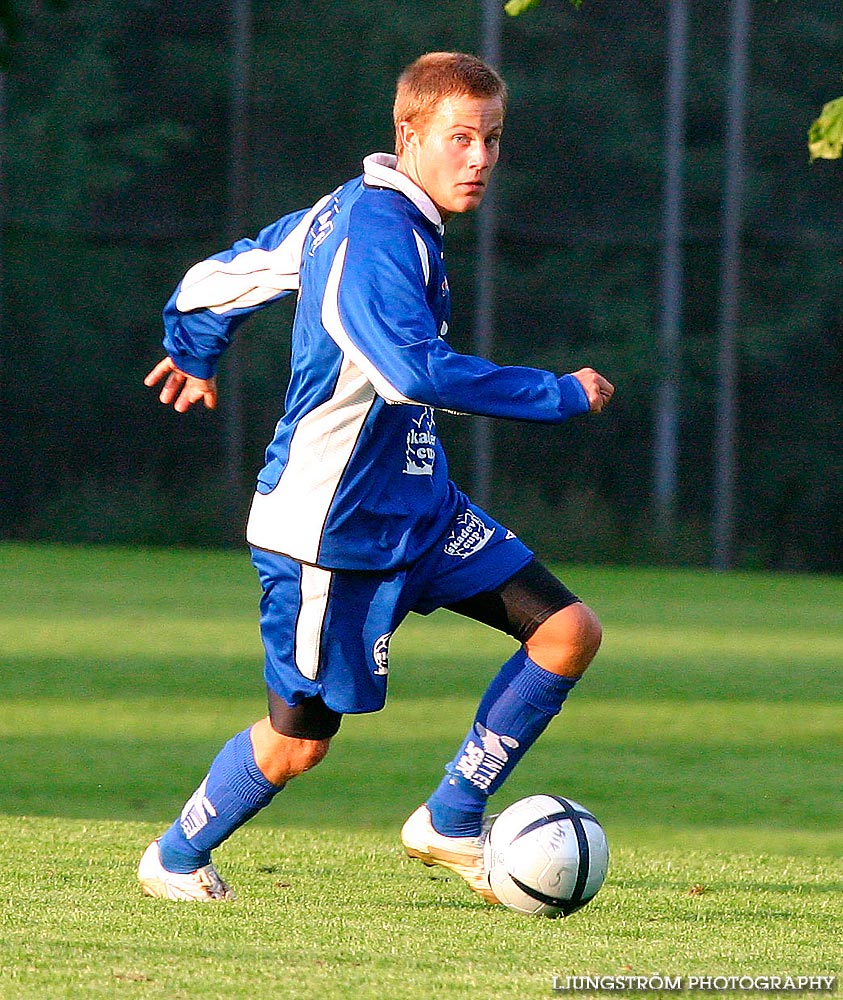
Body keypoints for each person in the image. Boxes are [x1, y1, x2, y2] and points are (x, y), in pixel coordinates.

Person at [138, 51, 614, 903]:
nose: (479, 158)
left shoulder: (359, 211)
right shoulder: (374, 234)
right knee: (298, 745)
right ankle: (174, 857)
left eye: (492, 139)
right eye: (460, 137)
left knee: (566, 631)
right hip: (331, 530)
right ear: (409, 135)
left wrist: (193, 348)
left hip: (417, 504)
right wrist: (558, 394)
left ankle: (450, 817)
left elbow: (224, 277)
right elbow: (410, 373)